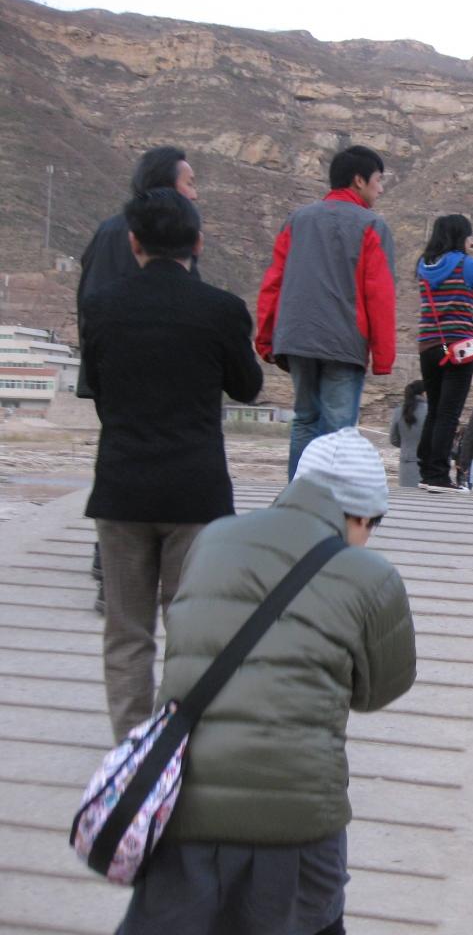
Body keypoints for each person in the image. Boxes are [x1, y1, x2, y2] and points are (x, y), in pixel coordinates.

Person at [114, 428, 416, 935]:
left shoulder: (212, 539)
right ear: (363, 516)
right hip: (298, 819)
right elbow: (379, 691)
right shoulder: (372, 575)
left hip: (181, 801)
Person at [81, 188, 262, 741]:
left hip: (122, 488)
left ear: (134, 242)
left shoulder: (102, 306)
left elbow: (99, 389)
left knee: (126, 632)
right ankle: (182, 746)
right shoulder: (221, 309)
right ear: (198, 243)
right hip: (195, 493)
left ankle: (131, 751)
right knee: (193, 632)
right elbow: (248, 387)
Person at [76, 146, 199, 614]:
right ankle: (121, 568)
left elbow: (87, 303)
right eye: (189, 182)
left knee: (119, 454)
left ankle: (111, 561)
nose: (195, 193)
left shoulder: (107, 230)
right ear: (166, 186)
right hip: (154, 368)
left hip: (112, 368)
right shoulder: (160, 236)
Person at [255, 146, 397, 480]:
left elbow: (273, 282)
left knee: (305, 419)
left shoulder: (297, 220)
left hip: (296, 338)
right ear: (359, 180)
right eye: (378, 180)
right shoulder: (372, 225)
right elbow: (380, 295)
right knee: (339, 429)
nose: (380, 188)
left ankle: (298, 495)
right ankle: (330, 500)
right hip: (343, 342)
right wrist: (383, 357)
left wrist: (266, 337)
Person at [412, 214, 473, 488]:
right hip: (458, 348)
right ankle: (438, 475)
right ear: (461, 236)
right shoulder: (465, 264)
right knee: (449, 413)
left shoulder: (423, 264)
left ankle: (426, 471)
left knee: (435, 409)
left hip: (429, 346)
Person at [389, 380, 427, 487]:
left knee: (406, 496)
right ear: (424, 393)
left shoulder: (398, 411)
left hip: (406, 462)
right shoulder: (432, 411)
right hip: (427, 464)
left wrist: (407, 445)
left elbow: (393, 439)